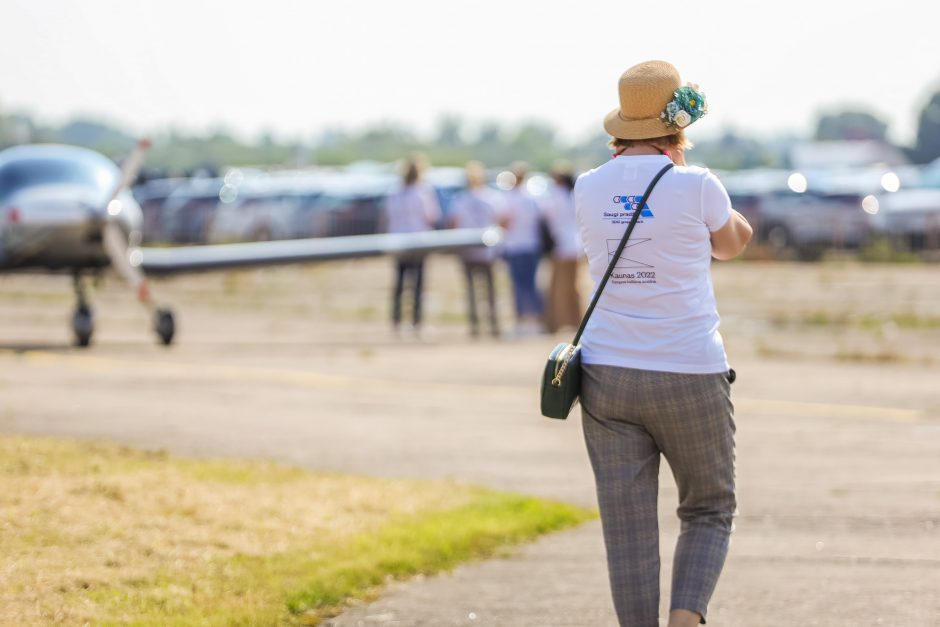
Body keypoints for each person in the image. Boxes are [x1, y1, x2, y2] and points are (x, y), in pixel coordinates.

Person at [574, 60, 753, 627]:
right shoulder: (697, 184)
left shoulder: (586, 187)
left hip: (607, 371)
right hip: (688, 368)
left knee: (626, 526)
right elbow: (731, 245)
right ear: (677, 127)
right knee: (707, 507)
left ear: (621, 128)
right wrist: (688, 175)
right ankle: (686, 619)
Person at [384, 155, 441, 335]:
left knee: (400, 283)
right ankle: (416, 322)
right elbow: (431, 216)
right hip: (418, 241)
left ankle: (397, 322)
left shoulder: (395, 192)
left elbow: (388, 216)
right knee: (417, 284)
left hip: (399, 241)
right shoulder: (423, 192)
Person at [449, 161, 501, 338]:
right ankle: (493, 325)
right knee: (489, 290)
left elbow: (454, 224)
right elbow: (500, 221)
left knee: (471, 290)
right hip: (487, 251)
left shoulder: (461, 199)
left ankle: (475, 326)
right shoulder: (491, 197)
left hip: (468, 250)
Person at [496, 161, 544, 335]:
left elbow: (503, 222)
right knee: (531, 283)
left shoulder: (509, 198)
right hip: (531, 244)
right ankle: (536, 320)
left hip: (515, 245)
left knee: (518, 284)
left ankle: (521, 320)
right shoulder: (533, 197)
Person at [542, 163, 583, 333]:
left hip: (561, 246)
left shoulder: (556, 196)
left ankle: (556, 323)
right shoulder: (574, 196)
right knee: (573, 286)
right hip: (575, 246)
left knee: (557, 287)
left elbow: (547, 216)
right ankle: (576, 321)